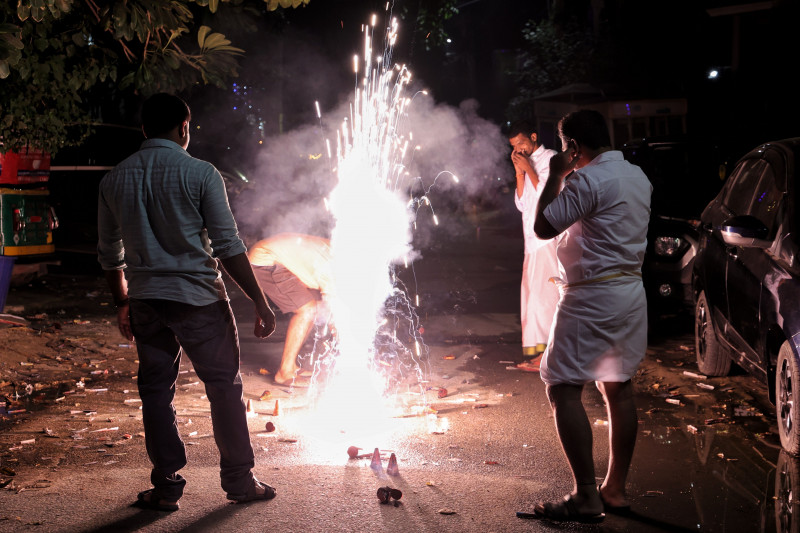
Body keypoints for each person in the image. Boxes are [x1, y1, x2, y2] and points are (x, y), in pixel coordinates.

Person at [97, 93, 278, 512]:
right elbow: (228, 244)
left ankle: (165, 487)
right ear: (184, 127)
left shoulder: (114, 179)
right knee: (223, 389)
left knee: (156, 394)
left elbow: (110, 253)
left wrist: (122, 301)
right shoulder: (200, 173)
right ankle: (238, 480)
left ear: (143, 130)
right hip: (198, 299)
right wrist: (259, 300)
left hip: (146, 300)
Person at [527, 109, 651, 523]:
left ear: (574, 146)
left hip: (591, 297)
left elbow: (544, 225)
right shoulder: (638, 176)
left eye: (566, 147)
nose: (565, 154)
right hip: (630, 293)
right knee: (618, 386)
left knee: (562, 387)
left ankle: (585, 496)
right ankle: (613, 489)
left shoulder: (586, 179)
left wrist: (555, 174)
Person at [507, 121, 559, 372]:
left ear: (534, 137)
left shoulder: (551, 159)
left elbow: (549, 197)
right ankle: (543, 355)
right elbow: (522, 204)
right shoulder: (525, 166)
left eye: (521, 143)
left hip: (547, 242)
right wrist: (519, 172)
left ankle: (549, 357)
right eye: (514, 146)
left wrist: (528, 168)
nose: (518, 149)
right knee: (531, 299)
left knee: (544, 300)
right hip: (532, 243)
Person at [248, 233, 332, 387]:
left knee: (316, 308)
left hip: (281, 260)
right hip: (266, 259)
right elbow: (334, 313)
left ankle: (291, 367)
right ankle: (284, 373)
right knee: (307, 310)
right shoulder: (334, 266)